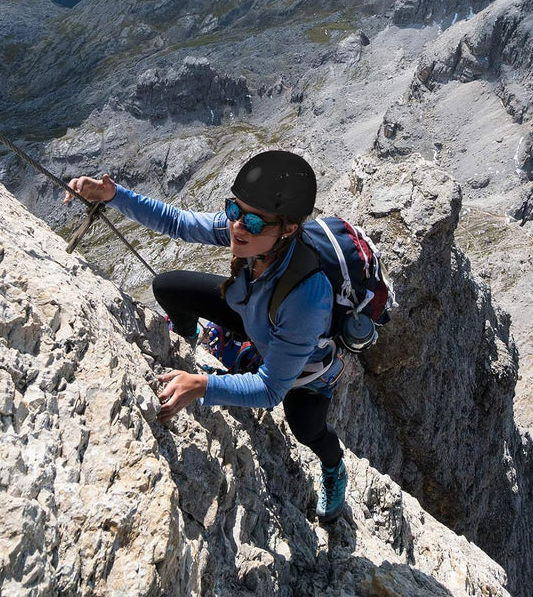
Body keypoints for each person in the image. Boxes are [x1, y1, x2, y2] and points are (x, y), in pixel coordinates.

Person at [64, 150, 348, 522]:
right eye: (234, 211)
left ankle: (335, 467)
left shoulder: (308, 296)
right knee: (169, 287)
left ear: (289, 229)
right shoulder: (255, 232)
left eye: (251, 221)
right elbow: (179, 222)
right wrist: (114, 195)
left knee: (306, 428)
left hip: (303, 369)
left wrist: (202, 385)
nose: (237, 227)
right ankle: (186, 347)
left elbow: (270, 390)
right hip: (258, 315)